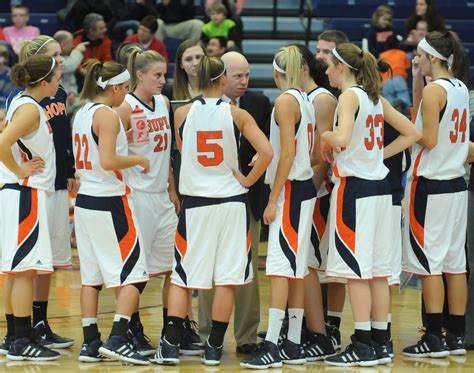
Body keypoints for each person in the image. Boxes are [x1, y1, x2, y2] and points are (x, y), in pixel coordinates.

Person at [154, 55, 272, 366]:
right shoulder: (238, 114)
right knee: (227, 279)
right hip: (232, 203)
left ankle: (168, 345)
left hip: (197, 204)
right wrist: (247, 179)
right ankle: (214, 348)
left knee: (183, 277)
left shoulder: (180, 113)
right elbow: (268, 152)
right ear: (222, 80)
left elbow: (181, 152)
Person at [321, 43, 420, 366]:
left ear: (342, 67)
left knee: (357, 272)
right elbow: (412, 132)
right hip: (380, 191)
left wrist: (325, 135)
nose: (326, 71)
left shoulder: (350, 96)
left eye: (330, 65)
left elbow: (342, 137)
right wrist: (379, 155)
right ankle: (380, 342)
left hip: (356, 191)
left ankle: (361, 344)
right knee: (377, 272)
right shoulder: (373, 96)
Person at [241, 45, 317, 369]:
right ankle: (294, 343)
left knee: (278, 271)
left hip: (290, 191)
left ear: (276, 72)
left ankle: (271, 344)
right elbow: (294, 148)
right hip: (304, 188)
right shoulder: (305, 99)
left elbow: (287, 154)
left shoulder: (285, 101)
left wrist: (273, 198)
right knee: (295, 271)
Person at [72, 59, 150, 365]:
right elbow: (107, 161)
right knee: (135, 274)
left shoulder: (82, 112)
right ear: (115, 86)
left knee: (91, 278)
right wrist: (137, 160)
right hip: (111, 200)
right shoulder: (108, 115)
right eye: (126, 87)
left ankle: (90, 342)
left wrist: (120, 148)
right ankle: (118, 339)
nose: (127, 93)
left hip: (85, 201)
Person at [3, 35, 76, 351]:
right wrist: (20, 171)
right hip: (25, 190)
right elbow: (3, 143)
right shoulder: (29, 107)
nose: (61, 67)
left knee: (22, 267)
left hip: (33, 188)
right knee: (21, 269)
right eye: (56, 64)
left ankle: (19, 335)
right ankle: (19, 337)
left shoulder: (34, 102)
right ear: (44, 80)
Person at [402, 31, 471, 358]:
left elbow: (427, 139)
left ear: (432, 57)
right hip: (457, 184)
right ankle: (455, 336)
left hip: (431, 184)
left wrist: (398, 139)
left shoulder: (434, 91)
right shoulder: (459, 88)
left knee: (429, 264)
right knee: (455, 264)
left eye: (419, 55)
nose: (416, 60)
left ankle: (432, 336)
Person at [198, 51, 271, 355]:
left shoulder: (259, 103)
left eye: (247, 75)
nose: (244, 81)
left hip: (246, 199)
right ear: (221, 76)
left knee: (247, 270)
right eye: (237, 75)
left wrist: (250, 175)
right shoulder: (197, 108)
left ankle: (246, 336)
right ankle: (205, 336)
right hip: (208, 200)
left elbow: (269, 146)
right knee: (207, 270)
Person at [115, 48, 178, 356]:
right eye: (157, 75)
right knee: (136, 271)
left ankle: (172, 331)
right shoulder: (124, 107)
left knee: (172, 268)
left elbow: (166, 154)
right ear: (139, 76)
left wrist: (172, 188)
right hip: (136, 196)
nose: (162, 81)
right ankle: (131, 330)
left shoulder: (164, 103)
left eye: (164, 75)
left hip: (162, 196)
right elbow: (107, 154)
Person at [295, 43, 338, 361]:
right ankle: (301, 326)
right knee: (301, 263)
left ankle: (323, 330)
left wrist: (307, 191)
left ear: (304, 67)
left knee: (313, 264)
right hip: (301, 189)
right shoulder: (299, 98)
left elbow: (322, 153)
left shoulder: (323, 99)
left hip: (316, 192)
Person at [53, 31, 87, 108]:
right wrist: (77, 51)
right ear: (63, 45)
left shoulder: (65, 57)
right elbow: (70, 65)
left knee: (90, 103)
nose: (72, 45)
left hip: (68, 98)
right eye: (71, 43)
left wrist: (73, 92)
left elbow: (71, 81)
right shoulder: (53, 59)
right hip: (56, 99)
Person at [380, 35, 411, 114]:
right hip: (399, 79)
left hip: (386, 80)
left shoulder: (382, 55)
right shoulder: (403, 54)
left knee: (389, 106)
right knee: (405, 100)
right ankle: (405, 111)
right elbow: (407, 66)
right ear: (398, 44)